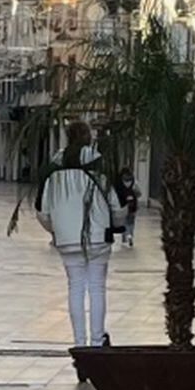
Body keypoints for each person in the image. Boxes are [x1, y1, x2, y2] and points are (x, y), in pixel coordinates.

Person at [37, 122, 126, 372]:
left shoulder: (53, 170)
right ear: (89, 139)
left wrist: (58, 229)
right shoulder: (101, 167)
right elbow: (117, 206)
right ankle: (97, 346)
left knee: (75, 287)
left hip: (67, 239)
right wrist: (116, 224)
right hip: (98, 236)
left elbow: (42, 211)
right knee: (96, 288)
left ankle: (79, 347)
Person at [115, 168, 141, 247]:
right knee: (131, 222)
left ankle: (124, 237)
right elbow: (139, 193)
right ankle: (130, 235)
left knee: (124, 221)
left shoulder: (119, 183)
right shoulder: (134, 182)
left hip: (123, 205)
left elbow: (116, 194)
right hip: (133, 205)